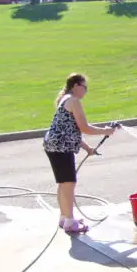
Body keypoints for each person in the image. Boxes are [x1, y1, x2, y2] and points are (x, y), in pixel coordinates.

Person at [43, 73, 118, 234]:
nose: (85, 91)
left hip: (53, 145)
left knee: (63, 183)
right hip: (61, 147)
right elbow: (84, 127)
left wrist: (87, 148)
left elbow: (70, 130)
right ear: (76, 86)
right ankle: (70, 222)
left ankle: (64, 217)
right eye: (84, 87)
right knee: (69, 183)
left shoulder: (65, 100)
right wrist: (107, 131)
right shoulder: (73, 101)